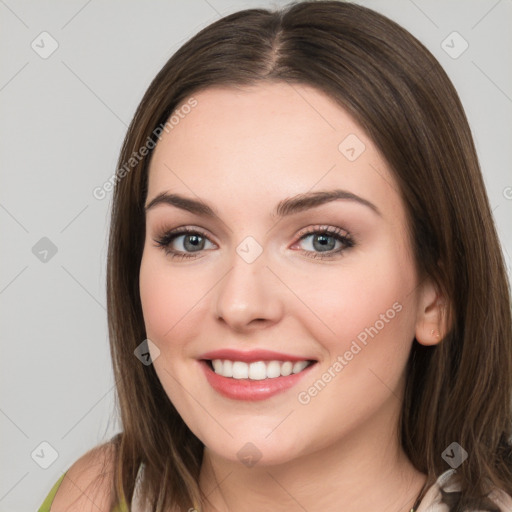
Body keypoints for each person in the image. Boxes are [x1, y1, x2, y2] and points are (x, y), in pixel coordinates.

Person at [38, 1, 512, 511]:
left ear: (436, 296)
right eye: (191, 239)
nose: (240, 304)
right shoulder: (95, 496)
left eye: (321, 240)